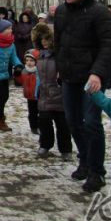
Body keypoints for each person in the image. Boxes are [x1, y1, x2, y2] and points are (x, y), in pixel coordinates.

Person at [54, 0, 111, 193]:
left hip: (92, 77)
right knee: (72, 120)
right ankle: (85, 160)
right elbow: (59, 43)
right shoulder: (61, 11)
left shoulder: (100, 13)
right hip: (70, 76)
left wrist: (98, 73)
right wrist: (59, 69)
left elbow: (109, 45)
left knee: (91, 121)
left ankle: (97, 171)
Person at [32, 23, 72, 160]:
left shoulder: (60, 56)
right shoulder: (40, 56)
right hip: (44, 94)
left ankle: (66, 149)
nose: (44, 42)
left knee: (62, 124)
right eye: (41, 39)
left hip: (59, 94)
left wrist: (64, 78)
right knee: (44, 122)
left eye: (47, 39)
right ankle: (45, 145)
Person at [19, 49, 40, 135]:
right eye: (27, 60)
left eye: (31, 60)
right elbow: (20, 81)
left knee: (40, 112)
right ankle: (33, 127)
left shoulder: (38, 71)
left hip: (39, 96)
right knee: (32, 113)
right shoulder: (24, 71)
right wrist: (17, 75)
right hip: (29, 96)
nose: (29, 63)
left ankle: (40, 125)